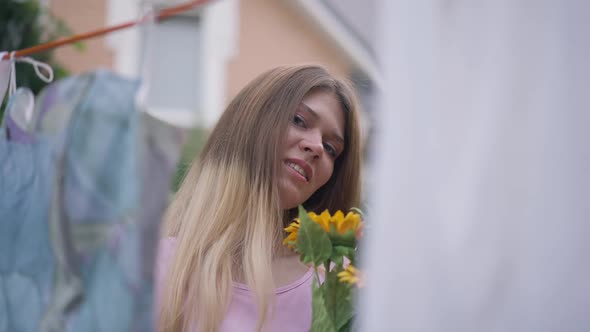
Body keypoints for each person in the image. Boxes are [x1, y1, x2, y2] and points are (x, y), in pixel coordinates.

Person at [156, 64, 362, 332]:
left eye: (331, 148)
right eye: (299, 120)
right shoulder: (158, 265)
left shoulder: (337, 284)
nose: (316, 147)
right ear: (251, 121)